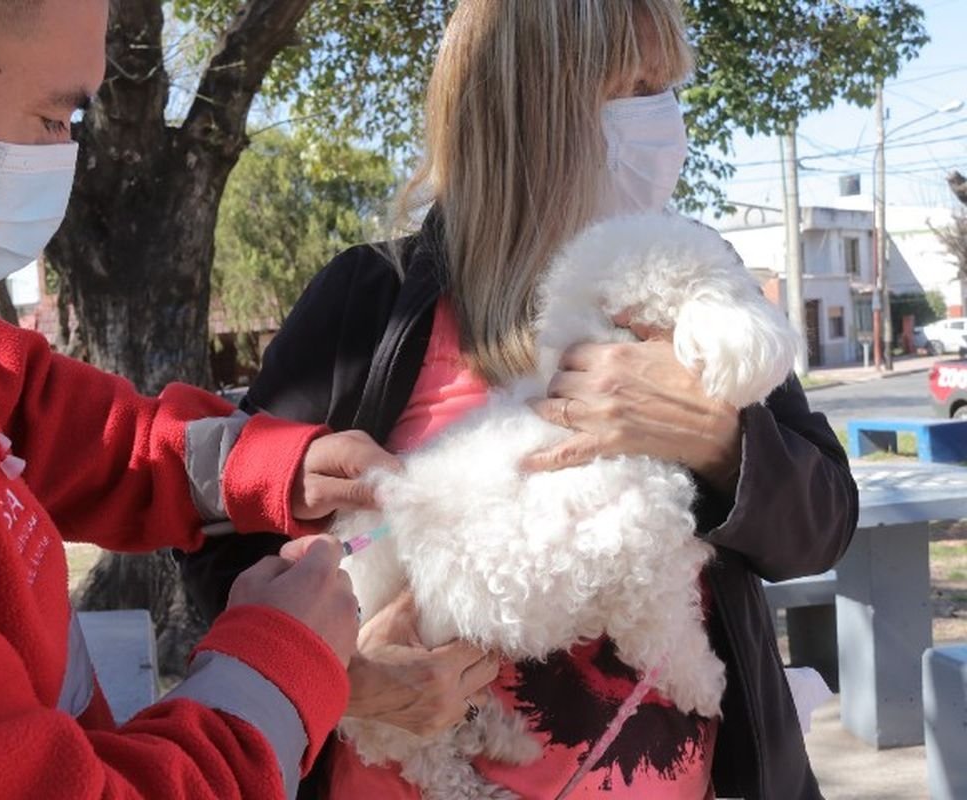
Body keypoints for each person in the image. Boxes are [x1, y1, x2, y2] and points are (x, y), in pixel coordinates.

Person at [182, 1, 859, 798]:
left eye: (666, 87)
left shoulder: (691, 282)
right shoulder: (370, 301)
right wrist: (345, 670)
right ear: (531, 102)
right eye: (631, 87)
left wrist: (715, 440)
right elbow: (224, 542)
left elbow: (823, 526)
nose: (663, 119)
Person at [0, 1, 401, 797]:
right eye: (53, 115)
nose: (63, 155)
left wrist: (265, 464)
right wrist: (277, 666)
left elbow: (42, 414)